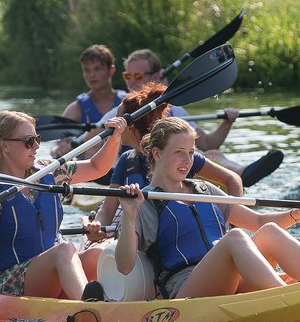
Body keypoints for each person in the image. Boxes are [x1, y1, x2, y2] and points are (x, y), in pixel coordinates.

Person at [116, 117, 300, 299]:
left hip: (230, 279)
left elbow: (257, 222)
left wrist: (297, 214)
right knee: (235, 237)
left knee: (270, 231)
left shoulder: (204, 190)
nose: (187, 160)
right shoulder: (143, 203)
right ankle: (285, 299)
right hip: (187, 287)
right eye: (179, 152)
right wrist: (129, 214)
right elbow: (124, 266)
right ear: (157, 154)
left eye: (191, 152)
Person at [0, 110, 126, 300]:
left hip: (49, 267)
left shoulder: (47, 170)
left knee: (97, 255)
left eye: (37, 138)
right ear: (5, 145)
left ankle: (112, 302)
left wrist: (115, 137)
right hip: (9, 280)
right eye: (29, 141)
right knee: (65, 250)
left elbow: (96, 167)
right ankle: (88, 308)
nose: (36, 146)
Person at [78, 84, 243, 277]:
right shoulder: (127, 160)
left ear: (128, 127)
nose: (186, 158)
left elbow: (232, 179)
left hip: (176, 250)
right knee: (93, 254)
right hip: (135, 237)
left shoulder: (183, 158)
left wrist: (232, 225)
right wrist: (97, 228)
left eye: (118, 118)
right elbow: (108, 209)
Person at [122, 49, 284, 188]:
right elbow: (97, 151)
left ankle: (243, 174)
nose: (132, 81)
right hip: (137, 170)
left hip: (177, 168)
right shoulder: (121, 110)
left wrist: (227, 123)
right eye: (127, 76)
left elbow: (206, 143)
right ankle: (237, 178)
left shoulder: (174, 109)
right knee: (205, 156)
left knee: (213, 153)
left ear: (157, 76)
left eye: (137, 75)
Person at [51, 44, 128, 158]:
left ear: (111, 70)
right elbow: (55, 147)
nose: (91, 75)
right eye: (87, 70)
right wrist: (59, 150)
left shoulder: (127, 101)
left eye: (97, 69)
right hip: (92, 170)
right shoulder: (76, 108)